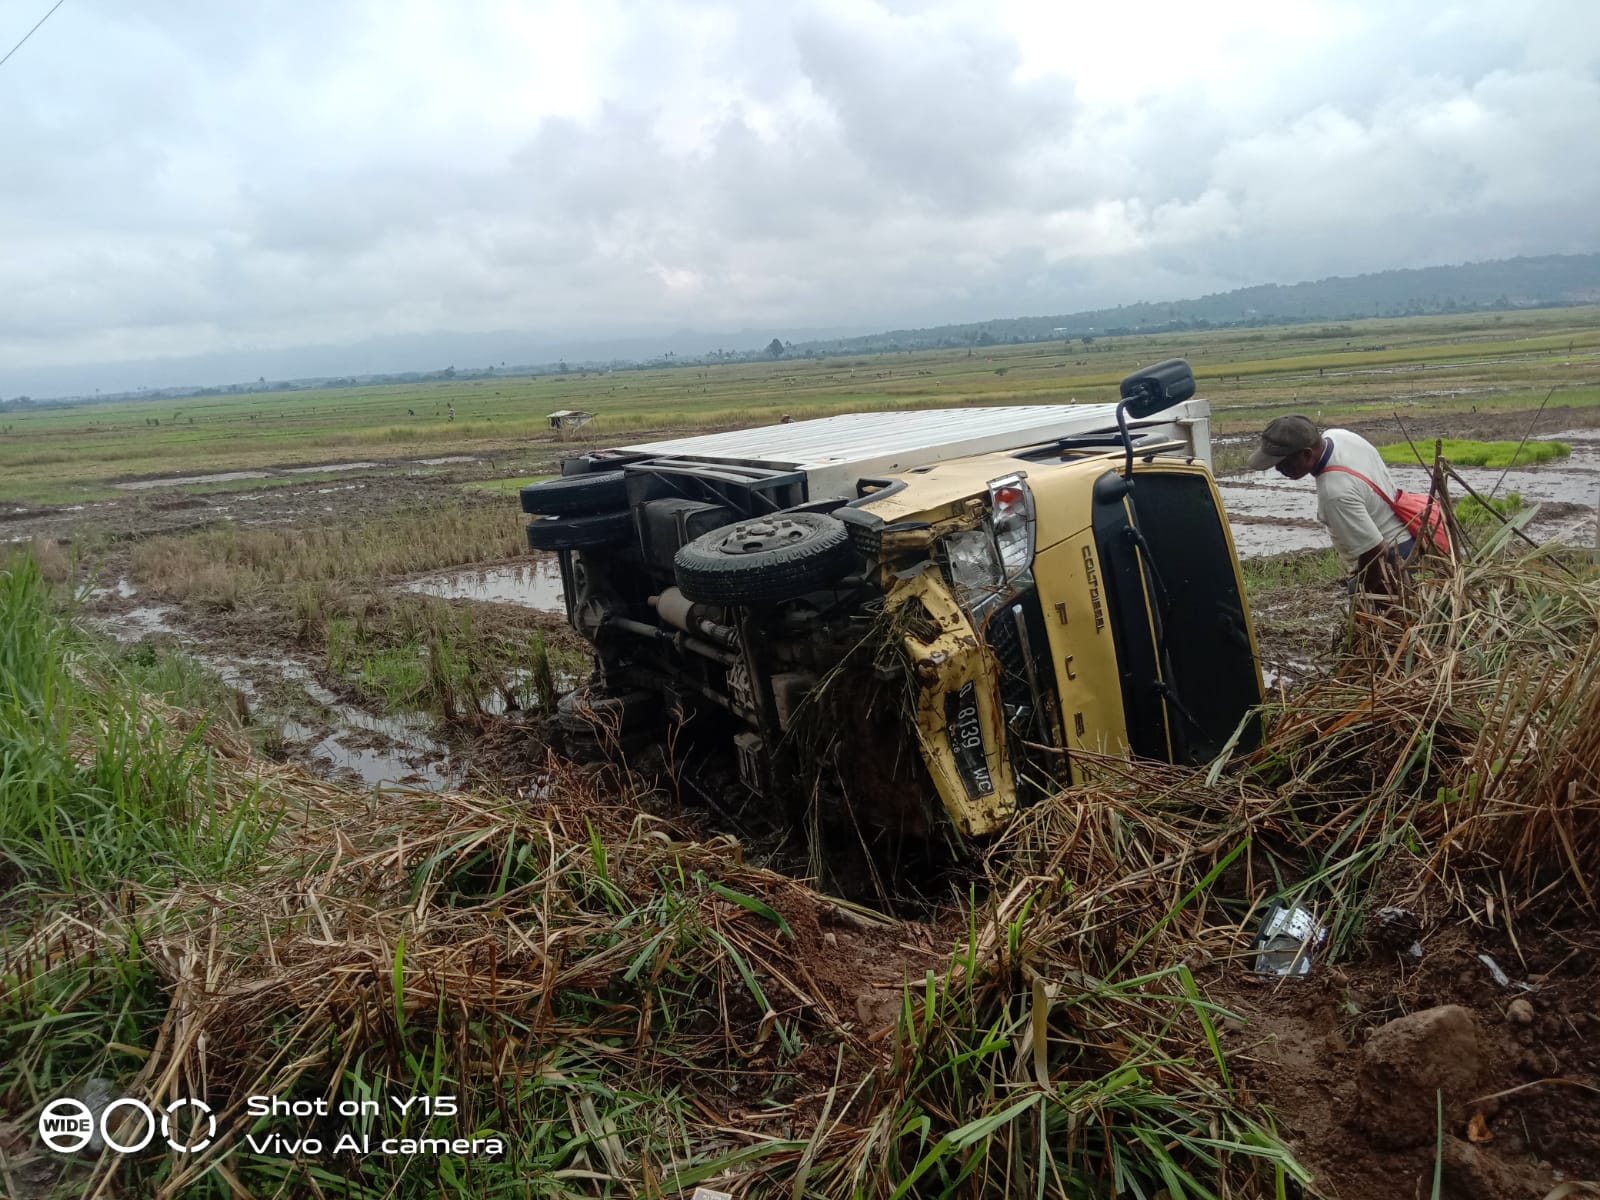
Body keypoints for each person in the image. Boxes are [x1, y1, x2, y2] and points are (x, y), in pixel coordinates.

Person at [1247, 415, 1414, 598]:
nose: (1279, 470)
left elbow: (1376, 551)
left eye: (1283, 463)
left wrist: (1360, 592)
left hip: (1395, 561)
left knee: (1374, 616)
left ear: (1307, 454)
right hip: (1408, 539)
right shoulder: (1339, 436)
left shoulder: (1334, 492)